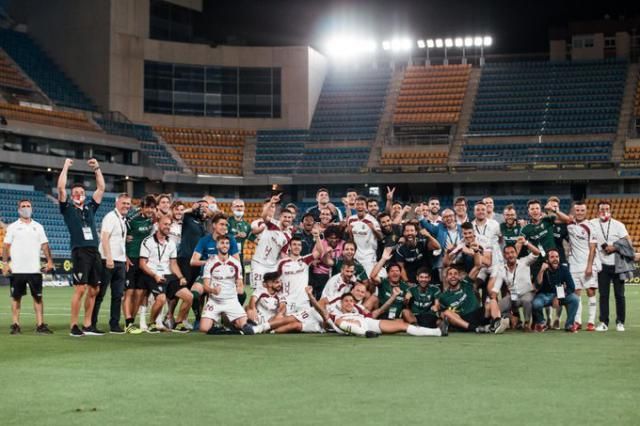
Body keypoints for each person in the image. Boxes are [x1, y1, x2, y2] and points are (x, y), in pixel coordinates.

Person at [57, 158, 105, 337]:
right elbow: (61, 188)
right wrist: (65, 167)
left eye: (82, 191)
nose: (79, 193)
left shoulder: (90, 208)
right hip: (80, 251)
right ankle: (73, 326)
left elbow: (101, 188)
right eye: (75, 192)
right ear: (71, 195)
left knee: (94, 289)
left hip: (94, 251)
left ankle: (88, 325)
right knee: (80, 288)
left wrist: (97, 169)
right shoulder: (67, 208)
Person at [2, 199, 54, 334]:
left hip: (34, 269)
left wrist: (49, 261)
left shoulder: (38, 226)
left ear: (32, 208)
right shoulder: (13, 227)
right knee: (16, 297)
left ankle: (40, 325)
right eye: (23, 206)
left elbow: (45, 245)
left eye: (28, 206)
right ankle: (15, 324)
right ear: (19, 209)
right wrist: (5, 263)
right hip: (17, 269)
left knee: (38, 298)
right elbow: (6, 247)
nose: (26, 208)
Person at [139, 215, 192, 333]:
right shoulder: (147, 241)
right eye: (165, 224)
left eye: (169, 224)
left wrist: (181, 277)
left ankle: (178, 323)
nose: (167, 227)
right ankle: (152, 323)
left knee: (189, 297)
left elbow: (173, 264)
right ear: (158, 225)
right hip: (152, 274)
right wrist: (155, 275)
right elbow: (142, 264)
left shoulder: (171, 243)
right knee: (161, 299)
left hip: (168, 275)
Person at [554, 201, 599, 331]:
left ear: (586, 211)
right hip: (573, 264)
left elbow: (593, 248)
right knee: (576, 293)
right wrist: (555, 209)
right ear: (574, 211)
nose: (579, 213)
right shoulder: (570, 224)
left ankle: (591, 322)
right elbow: (563, 218)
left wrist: (589, 266)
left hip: (587, 263)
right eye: (577, 210)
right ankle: (577, 321)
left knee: (590, 291)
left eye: (582, 210)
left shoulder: (590, 226)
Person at [199, 235, 254, 335]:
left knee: (247, 328)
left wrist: (240, 287)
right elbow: (205, 286)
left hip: (231, 300)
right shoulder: (210, 263)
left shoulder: (235, 263)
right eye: (222, 243)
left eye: (227, 243)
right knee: (204, 328)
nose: (225, 245)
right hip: (215, 301)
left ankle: (227, 328)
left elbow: (240, 282)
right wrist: (213, 290)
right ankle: (226, 330)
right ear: (217, 245)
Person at [327, 292, 445, 338]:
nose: (349, 303)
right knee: (340, 323)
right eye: (346, 301)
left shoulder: (358, 311)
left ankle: (438, 332)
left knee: (402, 325)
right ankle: (366, 334)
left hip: (368, 323)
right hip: (358, 327)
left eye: (351, 301)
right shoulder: (336, 315)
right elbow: (337, 323)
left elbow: (375, 313)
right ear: (341, 303)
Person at [93, 193, 131, 334]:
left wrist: (124, 257)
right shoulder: (110, 217)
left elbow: (118, 241)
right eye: (123, 203)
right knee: (100, 294)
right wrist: (109, 257)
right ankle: (91, 323)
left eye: (128, 203)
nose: (126, 206)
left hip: (120, 261)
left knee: (117, 295)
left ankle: (114, 324)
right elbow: (104, 238)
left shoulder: (122, 219)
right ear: (117, 203)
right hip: (107, 260)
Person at [590, 200, 630, 332]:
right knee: (603, 295)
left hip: (617, 265)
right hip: (602, 265)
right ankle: (603, 322)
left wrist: (615, 247)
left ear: (610, 210)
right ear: (598, 210)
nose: (604, 211)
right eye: (601, 209)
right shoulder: (592, 223)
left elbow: (628, 242)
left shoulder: (618, 225)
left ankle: (620, 322)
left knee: (619, 295)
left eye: (606, 209)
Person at [438, 266, 509, 334]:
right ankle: (475, 328)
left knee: (492, 301)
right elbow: (442, 315)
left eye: (455, 274)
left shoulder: (466, 283)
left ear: (459, 277)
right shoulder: (443, 296)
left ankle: (497, 323)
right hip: (463, 320)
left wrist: (476, 252)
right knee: (446, 312)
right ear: (446, 278)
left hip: (478, 314)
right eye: (450, 274)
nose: (453, 276)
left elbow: (477, 266)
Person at [490, 237, 540, 331]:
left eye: (512, 252)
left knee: (526, 300)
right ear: (504, 256)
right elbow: (496, 288)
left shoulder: (524, 262)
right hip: (513, 297)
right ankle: (512, 319)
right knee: (495, 308)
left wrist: (526, 242)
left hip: (527, 293)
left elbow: (537, 253)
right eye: (507, 253)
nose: (510, 255)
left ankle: (527, 323)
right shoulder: (502, 269)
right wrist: (491, 300)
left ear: (516, 253)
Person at [123, 195, 155, 334]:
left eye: (152, 207)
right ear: (142, 207)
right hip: (131, 259)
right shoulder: (131, 221)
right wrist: (124, 256)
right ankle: (128, 322)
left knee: (140, 293)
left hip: (144, 261)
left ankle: (132, 321)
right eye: (147, 207)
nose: (150, 210)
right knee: (129, 292)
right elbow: (120, 238)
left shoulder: (152, 220)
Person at [250, 193, 293, 293]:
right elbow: (264, 217)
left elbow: (283, 254)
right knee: (258, 292)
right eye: (285, 217)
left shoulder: (288, 236)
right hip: (258, 263)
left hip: (273, 266)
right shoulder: (272, 225)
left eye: (289, 217)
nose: (287, 219)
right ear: (280, 217)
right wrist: (271, 202)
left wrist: (292, 264)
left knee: (272, 292)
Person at [533, 248, 580, 332]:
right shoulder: (541, 268)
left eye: (557, 257)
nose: (555, 259)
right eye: (552, 257)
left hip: (559, 295)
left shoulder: (564, 269)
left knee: (575, 299)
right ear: (547, 260)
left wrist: (558, 297)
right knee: (536, 303)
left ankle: (569, 324)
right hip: (544, 295)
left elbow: (571, 287)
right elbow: (537, 284)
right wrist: (542, 270)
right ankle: (542, 323)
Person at [277, 235, 323, 314]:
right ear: (290, 247)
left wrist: (317, 236)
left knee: (306, 325)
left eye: (299, 245)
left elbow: (319, 252)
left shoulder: (305, 260)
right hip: (288, 301)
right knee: (287, 324)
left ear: (301, 247)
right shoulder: (282, 263)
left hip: (303, 301)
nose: (297, 247)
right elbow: (276, 280)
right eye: (294, 244)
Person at [346, 195, 382, 275]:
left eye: (362, 204)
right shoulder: (351, 219)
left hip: (369, 256)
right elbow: (351, 238)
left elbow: (380, 237)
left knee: (369, 278)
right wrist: (349, 232)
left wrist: (373, 229)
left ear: (366, 207)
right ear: (355, 206)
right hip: (355, 255)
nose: (360, 206)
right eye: (358, 204)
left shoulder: (372, 220)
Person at [228, 199, 251, 264]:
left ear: (244, 208)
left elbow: (253, 238)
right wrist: (236, 235)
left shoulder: (247, 225)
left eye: (241, 206)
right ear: (232, 208)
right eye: (237, 206)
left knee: (240, 272)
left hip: (240, 255)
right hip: (227, 255)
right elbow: (221, 237)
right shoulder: (227, 222)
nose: (239, 208)